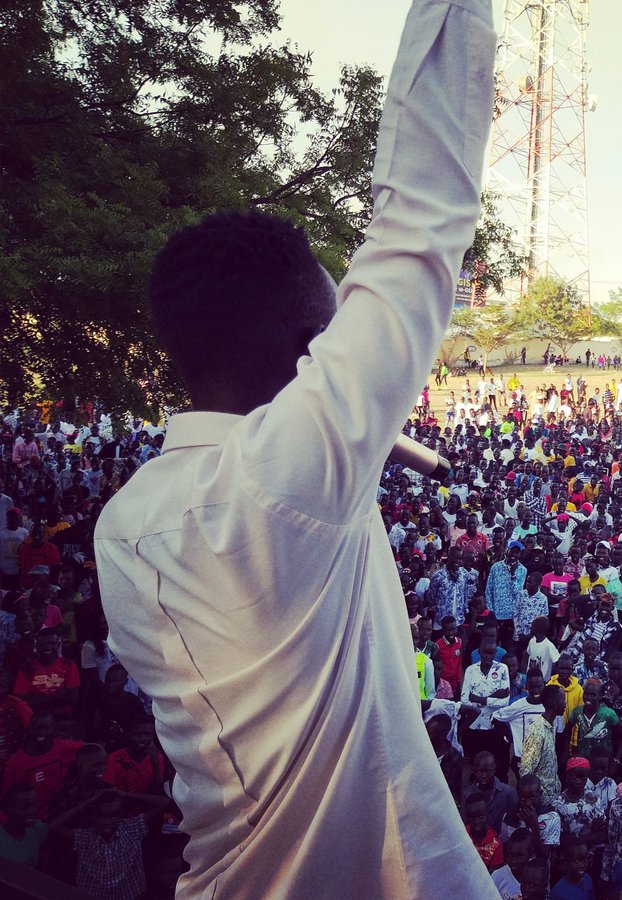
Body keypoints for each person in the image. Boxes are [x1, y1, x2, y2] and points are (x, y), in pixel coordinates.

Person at [90, 0, 500, 894]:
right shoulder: (293, 484)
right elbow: (418, 223)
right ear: (303, 353)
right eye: (327, 335)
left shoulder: (124, 527)